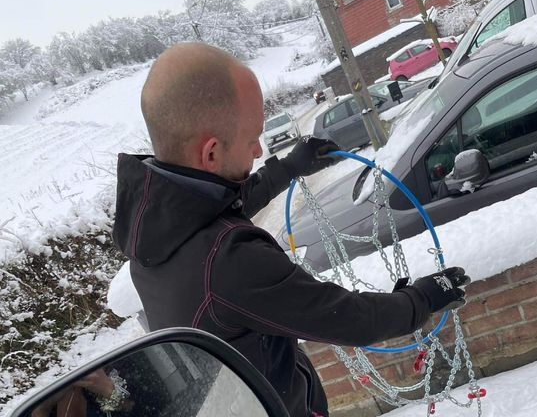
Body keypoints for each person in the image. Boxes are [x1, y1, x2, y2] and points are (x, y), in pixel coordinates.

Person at [112, 42, 470, 417]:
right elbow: (349, 318)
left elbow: (212, 209)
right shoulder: (229, 263)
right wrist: (422, 300)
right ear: (212, 153)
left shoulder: (152, 231)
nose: (256, 152)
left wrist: (288, 168)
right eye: (253, 139)